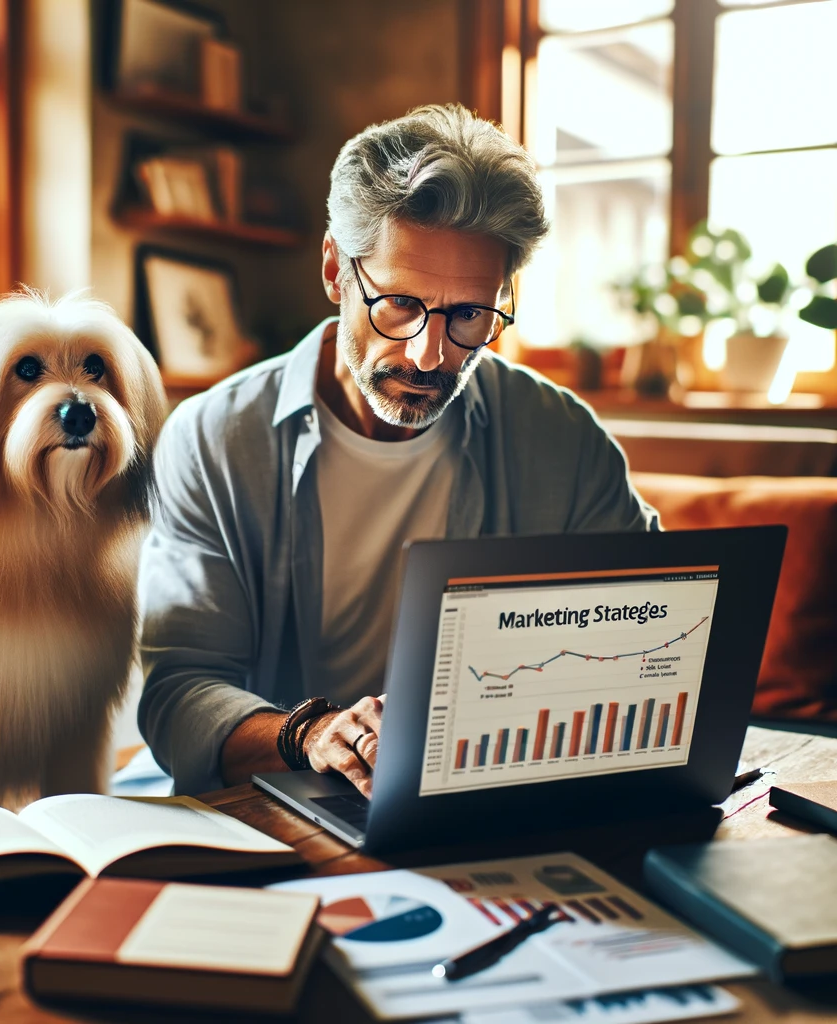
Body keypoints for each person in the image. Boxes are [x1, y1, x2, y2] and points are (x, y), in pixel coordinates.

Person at [138, 103, 658, 798]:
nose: (429, 354)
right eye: (400, 304)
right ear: (334, 270)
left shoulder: (563, 440)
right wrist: (311, 736)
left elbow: (651, 636)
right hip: (282, 809)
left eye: (470, 315)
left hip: (494, 805)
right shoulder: (213, 439)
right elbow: (180, 694)